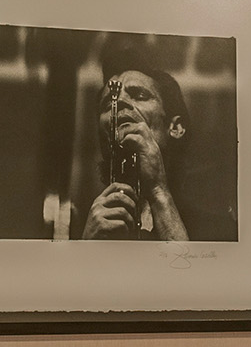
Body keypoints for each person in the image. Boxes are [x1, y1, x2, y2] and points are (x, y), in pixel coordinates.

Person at [77, 61, 189, 240]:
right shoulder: (78, 226)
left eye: (140, 95)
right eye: (107, 105)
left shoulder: (219, 226)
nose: (119, 101)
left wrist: (158, 190)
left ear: (176, 128)